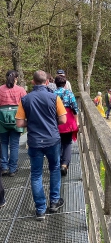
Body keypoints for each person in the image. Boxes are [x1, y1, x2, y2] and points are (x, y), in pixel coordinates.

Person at [15, 70, 67, 220]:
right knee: (55, 168)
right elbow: (63, 120)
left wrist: (31, 122)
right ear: (46, 82)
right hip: (52, 139)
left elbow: (19, 123)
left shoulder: (25, 99)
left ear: (33, 82)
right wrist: (51, 121)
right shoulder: (54, 97)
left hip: (35, 141)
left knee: (36, 174)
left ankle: (40, 209)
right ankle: (55, 202)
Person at [0, 70, 27, 177]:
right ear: (16, 78)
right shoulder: (20, 90)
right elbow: (26, 103)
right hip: (17, 118)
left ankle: (4, 167)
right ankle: (13, 169)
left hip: (2, 119)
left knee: (3, 143)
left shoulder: (0, 89)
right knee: (14, 145)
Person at [54, 75, 79, 176]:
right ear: (65, 84)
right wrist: (76, 121)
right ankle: (64, 164)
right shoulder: (69, 93)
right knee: (67, 143)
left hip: (56, 120)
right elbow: (74, 108)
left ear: (55, 83)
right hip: (68, 119)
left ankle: (58, 162)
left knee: (57, 142)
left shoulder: (52, 93)